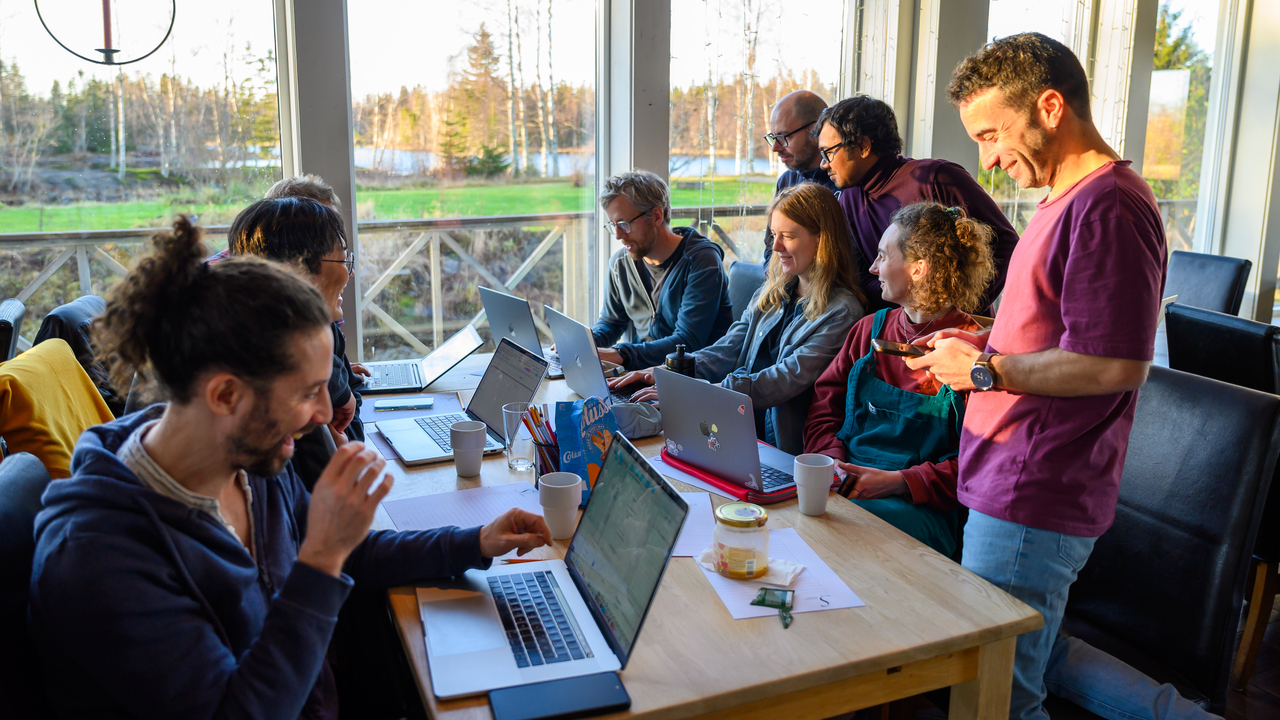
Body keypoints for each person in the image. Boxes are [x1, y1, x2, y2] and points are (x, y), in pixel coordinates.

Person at [28, 216, 551, 719]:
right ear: (226, 395)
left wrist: (474, 541)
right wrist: (322, 557)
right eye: (307, 393)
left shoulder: (248, 462)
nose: (325, 414)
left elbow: (347, 554)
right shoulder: (98, 557)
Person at [911, 33, 1212, 720]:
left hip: (1036, 488)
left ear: (1050, 106)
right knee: (1033, 659)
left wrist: (986, 368)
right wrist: (981, 343)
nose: (984, 159)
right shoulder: (1063, 201)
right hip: (1013, 479)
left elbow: (1116, 363)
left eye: (992, 134)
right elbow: (1061, 332)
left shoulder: (1108, 205)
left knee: (998, 700)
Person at [608, 183, 867, 454]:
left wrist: (701, 392)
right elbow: (731, 346)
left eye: (788, 236)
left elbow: (787, 377)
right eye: (774, 234)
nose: (775, 247)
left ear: (822, 240)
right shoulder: (773, 291)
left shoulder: (842, 313)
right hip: (734, 428)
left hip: (780, 447)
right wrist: (670, 372)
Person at [803, 202, 994, 558]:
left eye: (881, 256)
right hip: (844, 484)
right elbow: (823, 408)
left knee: (831, 533)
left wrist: (899, 482)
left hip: (919, 507)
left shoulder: (972, 354)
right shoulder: (867, 330)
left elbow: (979, 463)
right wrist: (831, 460)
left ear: (918, 268)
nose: (872, 267)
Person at [814, 95, 1019, 313]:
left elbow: (1005, 243)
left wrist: (961, 312)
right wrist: (901, 318)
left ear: (864, 146)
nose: (823, 164)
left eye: (829, 152)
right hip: (896, 332)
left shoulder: (937, 178)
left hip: (956, 335)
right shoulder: (850, 199)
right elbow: (861, 275)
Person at [228, 196, 362, 489]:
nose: (350, 272)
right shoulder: (279, 368)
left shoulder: (254, 332)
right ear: (298, 270)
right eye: (343, 259)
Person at [592, 170, 735, 371]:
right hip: (644, 376)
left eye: (624, 224)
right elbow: (611, 322)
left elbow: (686, 343)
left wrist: (622, 354)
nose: (617, 236)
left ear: (657, 216)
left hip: (694, 381)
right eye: (613, 225)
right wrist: (584, 343)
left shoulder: (701, 261)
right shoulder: (620, 263)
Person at [761, 90, 837, 262]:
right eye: (773, 138)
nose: (775, 148)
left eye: (783, 137)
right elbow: (770, 250)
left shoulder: (844, 182)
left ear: (816, 130)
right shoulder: (787, 181)